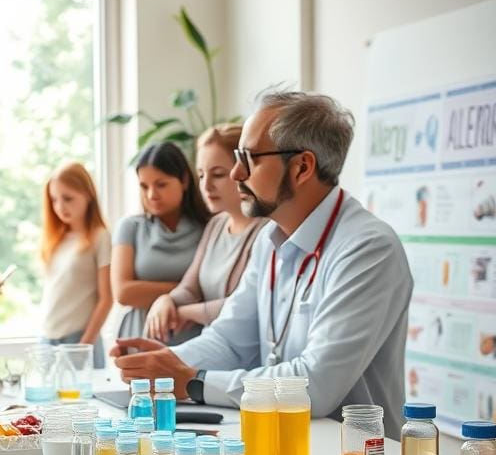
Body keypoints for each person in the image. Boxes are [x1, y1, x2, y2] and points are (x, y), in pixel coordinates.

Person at [113, 90, 413, 435]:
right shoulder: (270, 241)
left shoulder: (368, 249)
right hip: (289, 447)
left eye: (250, 158)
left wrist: (193, 381)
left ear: (302, 167)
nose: (237, 173)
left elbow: (315, 385)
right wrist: (165, 365)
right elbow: (229, 340)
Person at [145, 124, 268, 342]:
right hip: (216, 351)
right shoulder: (216, 225)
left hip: (249, 365)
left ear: (244, 171)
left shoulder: (266, 231)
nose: (207, 186)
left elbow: (249, 305)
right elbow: (190, 288)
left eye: (218, 174)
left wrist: (187, 312)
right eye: (201, 176)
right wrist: (167, 300)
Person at [112, 141, 210, 345]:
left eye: (161, 184)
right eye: (144, 186)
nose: (151, 195)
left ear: (183, 180)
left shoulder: (211, 227)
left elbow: (218, 293)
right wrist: (188, 292)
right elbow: (123, 292)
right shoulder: (130, 227)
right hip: (140, 336)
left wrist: (157, 293)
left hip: (196, 342)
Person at [39, 162, 113, 368]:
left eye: (68, 198)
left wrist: (84, 346)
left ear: (88, 195)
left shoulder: (100, 237)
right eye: (54, 200)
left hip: (78, 340)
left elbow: (106, 299)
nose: (60, 207)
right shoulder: (56, 239)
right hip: (47, 339)